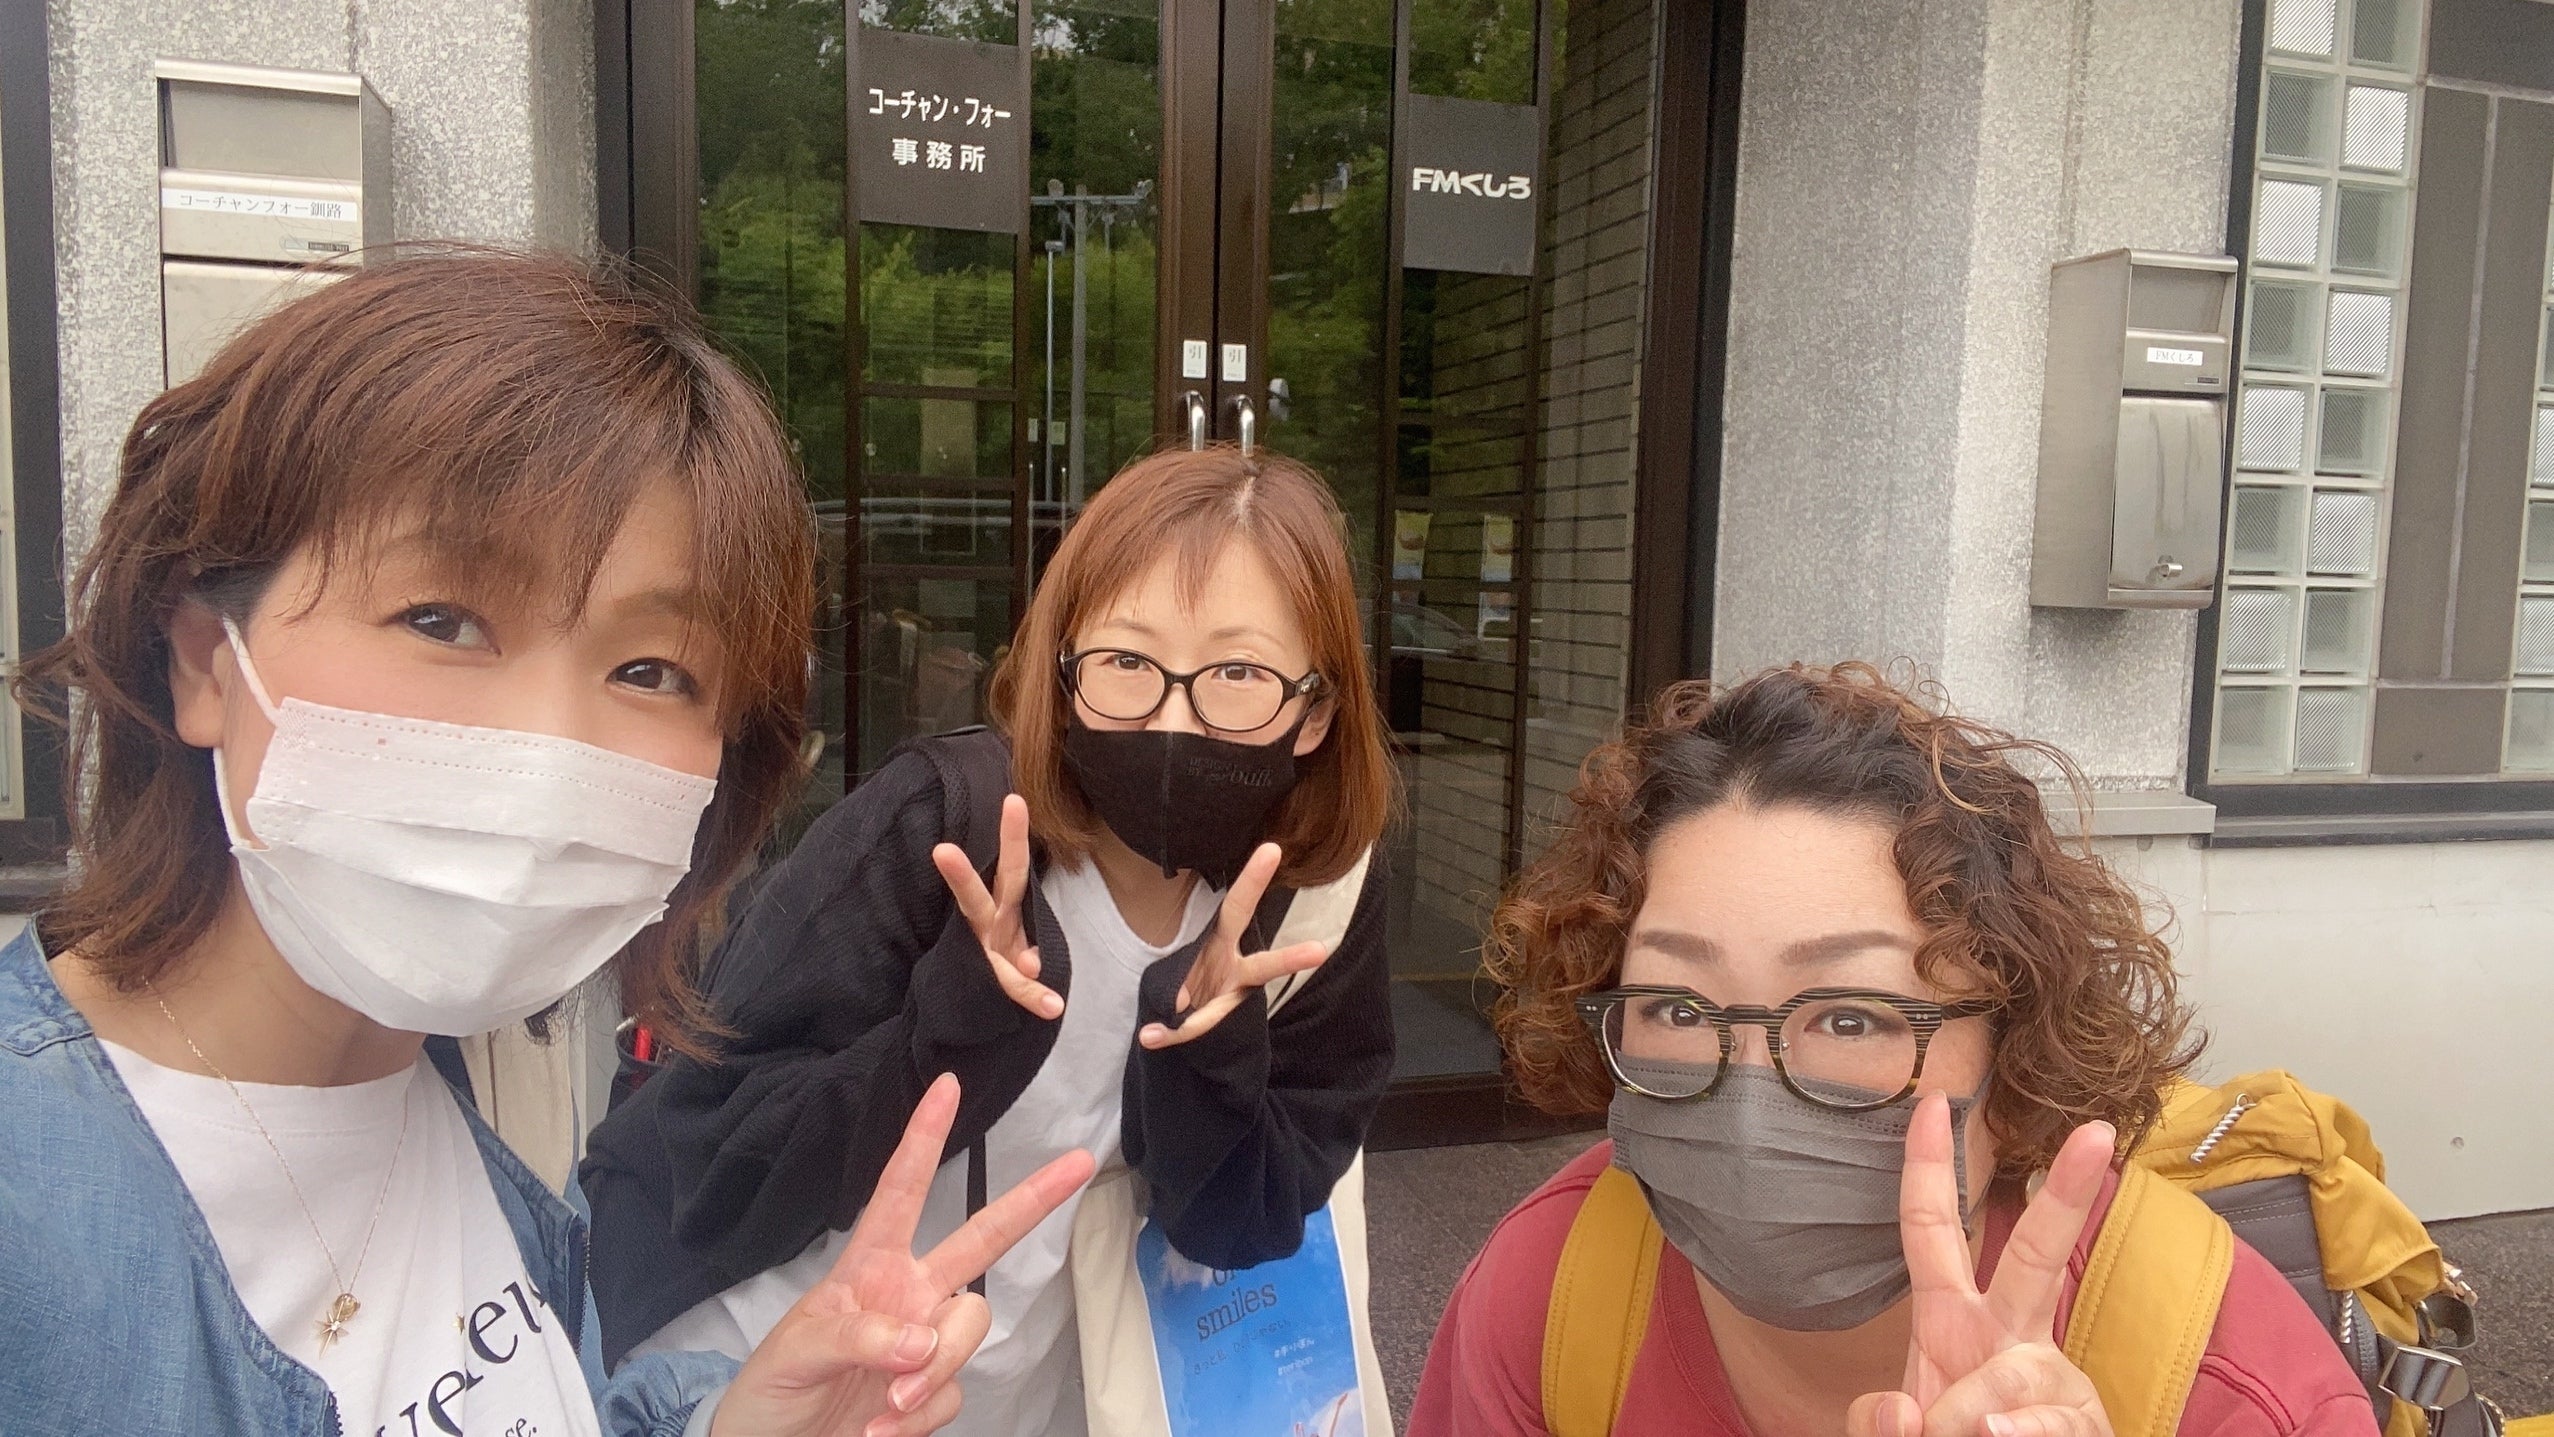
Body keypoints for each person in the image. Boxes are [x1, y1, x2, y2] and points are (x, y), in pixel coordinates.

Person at [0, 251, 1092, 1437]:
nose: (547, 744)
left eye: (651, 670)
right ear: (207, 663)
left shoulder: (457, 1097)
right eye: (441, 618)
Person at [583, 445, 1401, 1437]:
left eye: (1238, 672)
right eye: (1127, 661)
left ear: (1314, 712)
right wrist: (939, 1038)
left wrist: (1207, 1058)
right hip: (749, 1375)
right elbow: (706, 1155)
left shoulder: (1309, 905)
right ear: (1063, 671)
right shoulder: (945, 829)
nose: (1172, 715)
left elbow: (1239, 1226)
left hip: (1025, 1398)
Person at [1409, 664, 2378, 1437]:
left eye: (1849, 1018)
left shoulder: (2231, 1390)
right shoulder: (1554, 1288)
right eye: (1677, 1006)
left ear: (2017, 1053)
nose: (1747, 1104)